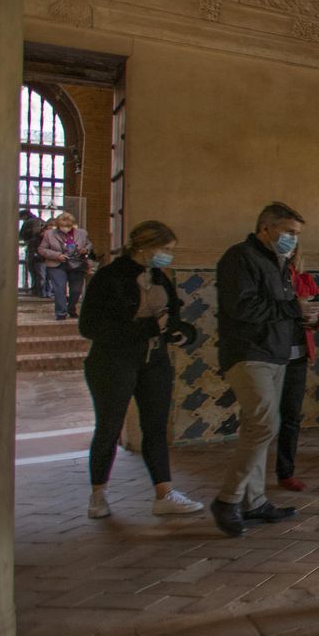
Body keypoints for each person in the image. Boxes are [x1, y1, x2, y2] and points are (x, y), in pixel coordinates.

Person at [77, 220, 204, 519]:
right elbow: (90, 326)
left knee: (156, 427)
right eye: (166, 249)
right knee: (108, 427)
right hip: (113, 361)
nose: (168, 256)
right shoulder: (109, 277)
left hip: (154, 361)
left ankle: (164, 493)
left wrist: (181, 332)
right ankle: (98, 493)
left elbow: (170, 317)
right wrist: (147, 326)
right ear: (146, 247)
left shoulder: (158, 276)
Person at [210, 202, 309, 537]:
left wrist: (300, 312)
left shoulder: (277, 262)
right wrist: (293, 307)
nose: (293, 240)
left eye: (296, 235)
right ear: (266, 228)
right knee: (265, 424)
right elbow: (242, 306)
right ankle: (227, 499)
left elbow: (277, 307)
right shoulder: (240, 258)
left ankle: (255, 502)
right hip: (249, 352)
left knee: (258, 426)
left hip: (275, 353)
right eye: (289, 233)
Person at [274, 246, 319, 492]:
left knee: (290, 417)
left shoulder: (304, 278)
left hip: (297, 356)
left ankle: (286, 472)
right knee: (262, 420)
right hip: (270, 356)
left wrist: (315, 319)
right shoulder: (268, 278)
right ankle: (250, 478)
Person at [39, 211, 93, 320]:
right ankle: (61, 313)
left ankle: (71, 308)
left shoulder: (82, 233)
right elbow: (42, 249)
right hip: (57, 265)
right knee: (59, 289)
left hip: (77, 264)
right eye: (63, 226)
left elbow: (89, 244)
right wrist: (57, 255)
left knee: (76, 290)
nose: (66, 228)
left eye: (68, 226)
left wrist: (85, 249)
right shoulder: (49, 234)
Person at [19, 209, 46, 296]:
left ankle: (35, 290)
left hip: (32, 250)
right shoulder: (41, 221)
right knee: (41, 273)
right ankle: (41, 291)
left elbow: (21, 235)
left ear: (24, 216)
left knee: (34, 272)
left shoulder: (28, 222)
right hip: (44, 251)